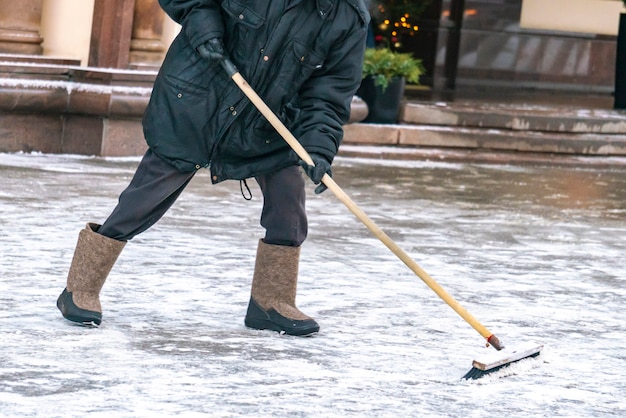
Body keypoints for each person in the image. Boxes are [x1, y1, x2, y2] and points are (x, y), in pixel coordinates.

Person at [56, 0, 370, 336]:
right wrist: (204, 22)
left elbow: (328, 95)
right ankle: (81, 287)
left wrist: (319, 148)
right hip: (196, 99)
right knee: (145, 197)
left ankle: (272, 302)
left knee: (288, 204)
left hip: (266, 121)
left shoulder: (347, 17)